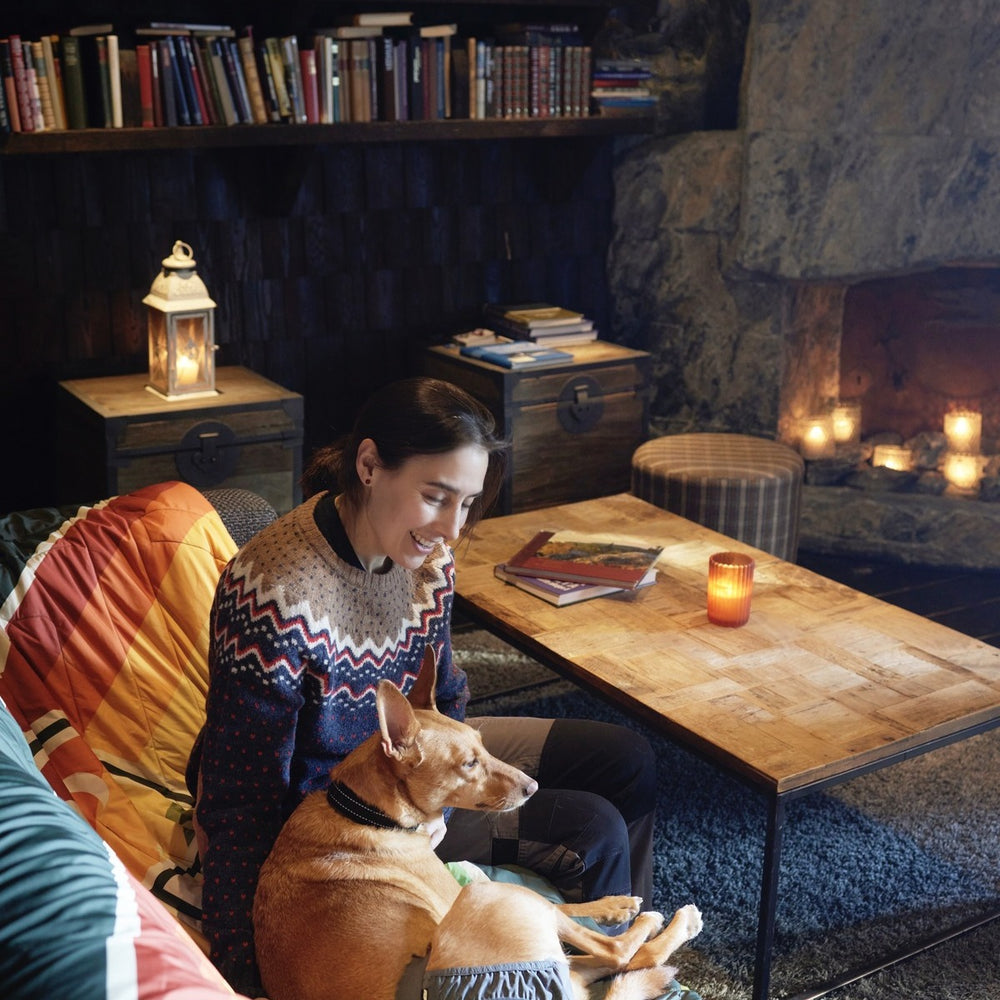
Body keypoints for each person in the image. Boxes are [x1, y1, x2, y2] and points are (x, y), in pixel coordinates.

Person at [187, 376, 657, 996]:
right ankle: (568, 979)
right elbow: (239, 800)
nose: (453, 528)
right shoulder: (272, 592)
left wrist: (447, 789)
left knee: (627, 759)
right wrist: (244, 973)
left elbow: (448, 692)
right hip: (350, 812)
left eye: (466, 502)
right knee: (591, 829)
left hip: (428, 760)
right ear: (369, 465)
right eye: (437, 497)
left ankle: (625, 959)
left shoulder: (428, 556)